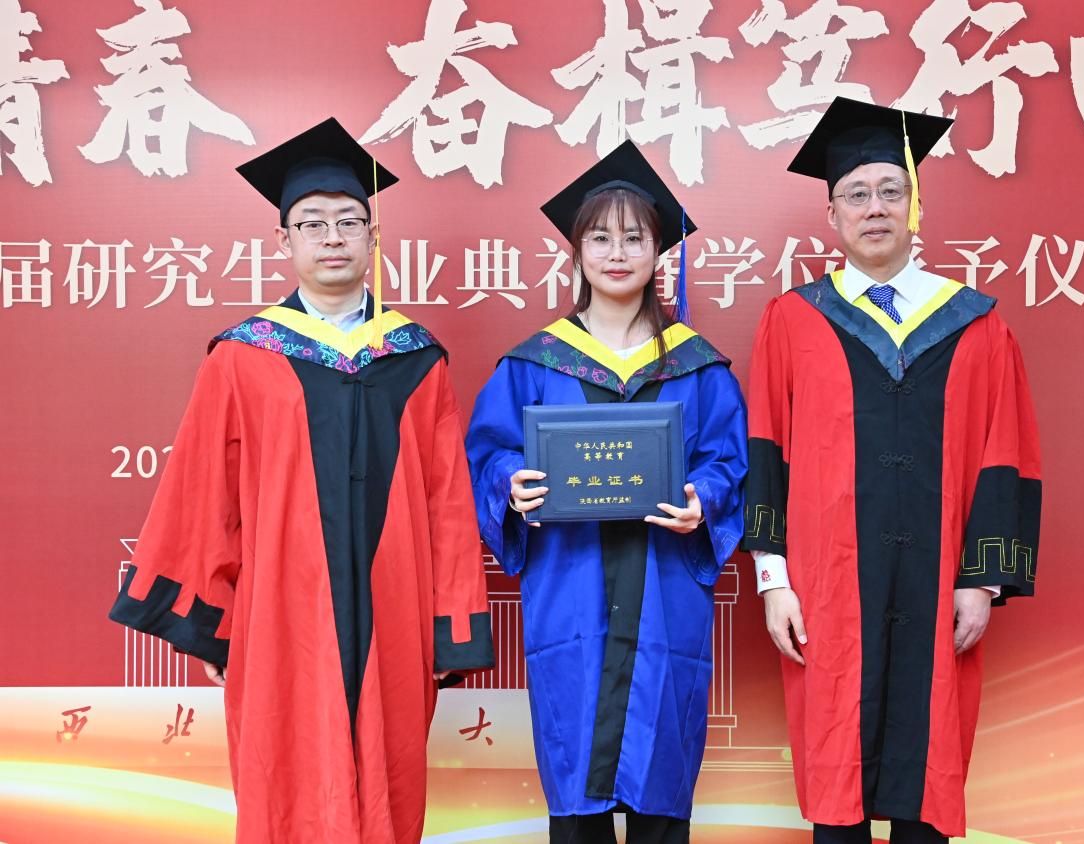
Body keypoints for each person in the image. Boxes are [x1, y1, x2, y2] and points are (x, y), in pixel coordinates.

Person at [108, 118, 493, 843]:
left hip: (394, 607)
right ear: (283, 241)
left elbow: (447, 501)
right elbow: (204, 494)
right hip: (281, 610)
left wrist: (451, 628)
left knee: (389, 771)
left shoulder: (417, 360)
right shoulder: (241, 357)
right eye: (312, 223)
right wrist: (213, 626)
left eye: (349, 221)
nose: (332, 237)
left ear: (374, 238)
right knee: (285, 768)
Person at [744, 97, 1042, 843]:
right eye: (856, 194)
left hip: (940, 586)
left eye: (889, 191)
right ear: (832, 215)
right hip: (826, 586)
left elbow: (1004, 455)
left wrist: (982, 580)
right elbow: (765, 450)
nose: (873, 208)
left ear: (914, 206)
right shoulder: (793, 319)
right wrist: (774, 579)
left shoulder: (976, 323)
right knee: (836, 773)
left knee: (928, 768)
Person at [465, 140, 747, 843]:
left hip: (665, 593)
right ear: (576, 251)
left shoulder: (698, 368)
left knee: (659, 791)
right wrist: (510, 485)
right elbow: (490, 451)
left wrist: (703, 500)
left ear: (659, 252)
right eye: (599, 237)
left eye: (634, 237)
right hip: (570, 589)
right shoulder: (532, 364)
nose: (617, 253)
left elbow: (728, 461)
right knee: (577, 790)